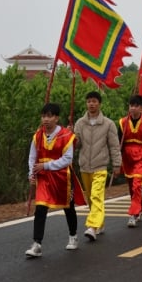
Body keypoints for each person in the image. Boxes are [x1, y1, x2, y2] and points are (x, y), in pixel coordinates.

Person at [25, 103, 86, 258]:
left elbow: (67, 159)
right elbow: (32, 157)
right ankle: (37, 243)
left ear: (56, 118)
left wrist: (46, 165)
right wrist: (31, 172)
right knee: (40, 208)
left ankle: (73, 235)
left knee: (68, 207)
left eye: (50, 116)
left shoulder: (66, 136)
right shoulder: (38, 135)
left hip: (62, 177)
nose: (46, 119)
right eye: (44, 116)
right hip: (43, 178)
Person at [74, 91, 122, 242]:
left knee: (96, 195)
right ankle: (99, 222)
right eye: (89, 101)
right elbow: (76, 145)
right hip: (84, 166)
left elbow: (114, 146)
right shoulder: (79, 123)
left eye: (94, 101)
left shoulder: (108, 124)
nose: (91, 104)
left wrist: (117, 164)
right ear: (86, 103)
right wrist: (71, 138)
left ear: (99, 103)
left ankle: (92, 227)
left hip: (100, 166)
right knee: (91, 198)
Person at [119, 95, 142, 228]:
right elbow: (119, 143)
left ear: (141, 108)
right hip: (127, 157)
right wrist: (117, 159)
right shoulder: (123, 122)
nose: (133, 108)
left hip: (141, 156)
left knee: (136, 185)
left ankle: (133, 214)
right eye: (131, 106)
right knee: (131, 187)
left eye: (136, 106)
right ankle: (139, 207)